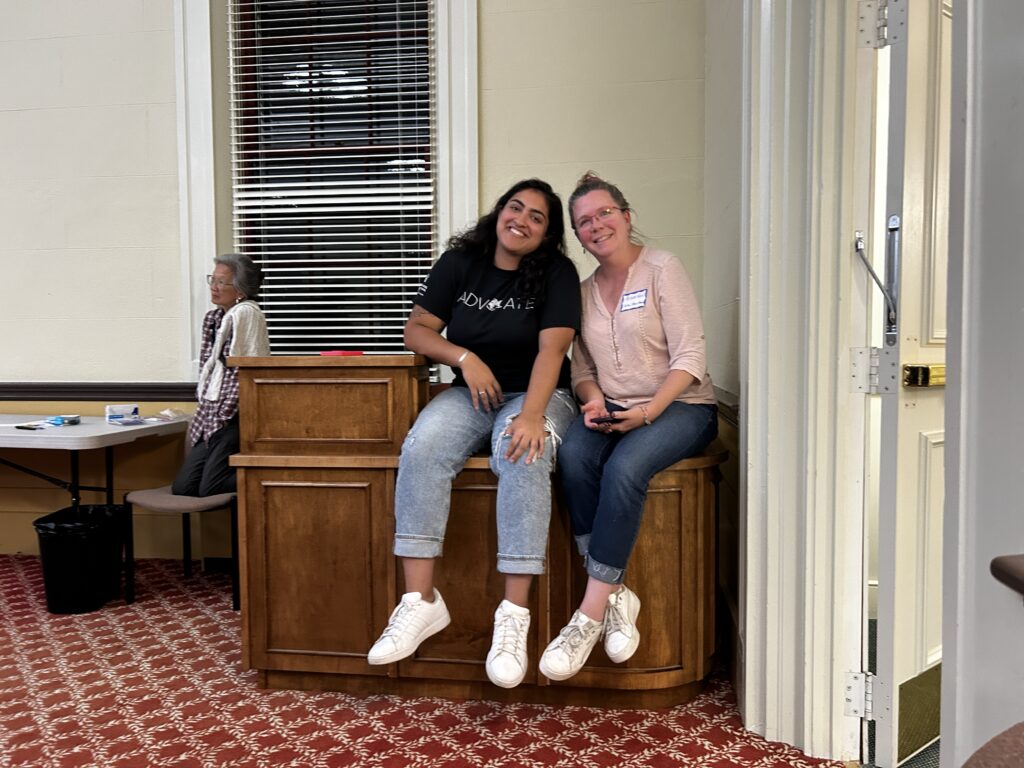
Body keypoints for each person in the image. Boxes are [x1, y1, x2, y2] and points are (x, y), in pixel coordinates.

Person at [367, 179, 581, 689]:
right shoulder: (462, 262)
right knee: (422, 447)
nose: (522, 220)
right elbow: (417, 329)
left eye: (537, 217)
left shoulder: (557, 272)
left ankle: (513, 617)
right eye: (516, 208)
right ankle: (420, 602)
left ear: (547, 234)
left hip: (538, 392)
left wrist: (531, 416)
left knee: (522, 451)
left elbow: (552, 352)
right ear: (500, 211)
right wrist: (465, 358)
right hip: (472, 394)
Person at [538, 173, 718, 682]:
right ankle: (616, 593)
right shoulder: (582, 291)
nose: (596, 226)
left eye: (604, 214)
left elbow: (691, 356)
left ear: (626, 215)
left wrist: (648, 413)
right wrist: (593, 403)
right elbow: (582, 370)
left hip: (682, 405)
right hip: (614, 407)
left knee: (625, 468)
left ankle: (589, 614)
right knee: (571, 458)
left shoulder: (662, 268)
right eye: (584, 222)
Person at [172, 253, 270, 498]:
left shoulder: (246, 313)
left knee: (211, 487)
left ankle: (272, 473)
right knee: (184, 489)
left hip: (234, 415)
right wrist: (207, 411)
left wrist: (224, 414)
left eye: (221, 282)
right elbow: (209, 366)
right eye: (212, 280)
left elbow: (244, 370)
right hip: (211, 412)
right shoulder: (214, 318)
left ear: (239, 288)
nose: (214, 288)